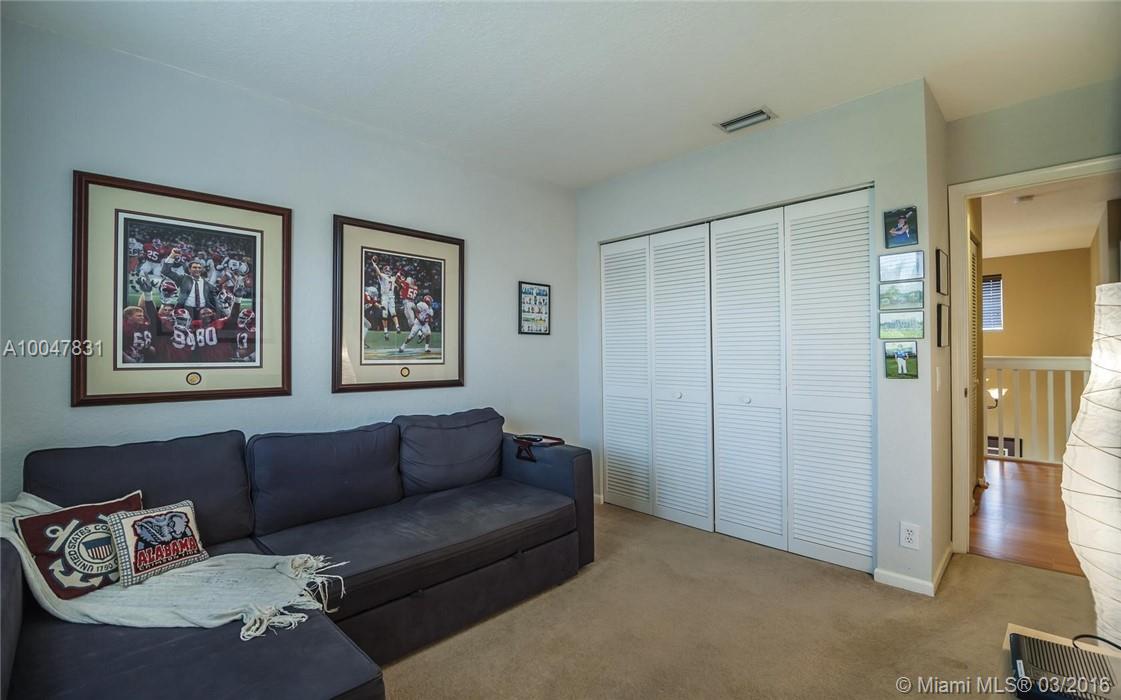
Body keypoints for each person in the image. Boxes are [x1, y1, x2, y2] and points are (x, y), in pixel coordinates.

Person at [162, 249, 219, 318]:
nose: (197, 269)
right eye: (194, 267)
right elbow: (166, 271)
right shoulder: (183, 279)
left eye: (199, 268)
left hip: (203, 310)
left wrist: (218, 313)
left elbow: (214, 301)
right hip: (186, 309)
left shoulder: (207, 284)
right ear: (189, 269)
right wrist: (172, 255)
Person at [370, 259, 401, 338]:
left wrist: (398, 285)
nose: (387, 271)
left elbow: (397, 286)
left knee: (392, 313)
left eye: (388, 270)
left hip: (390, 297)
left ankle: (396, 327)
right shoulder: (386, 277)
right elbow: (378, 273)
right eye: (386, 270)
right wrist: (374, 265)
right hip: (385, 297)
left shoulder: (392, 278)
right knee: (386, 313)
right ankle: (387, 331)